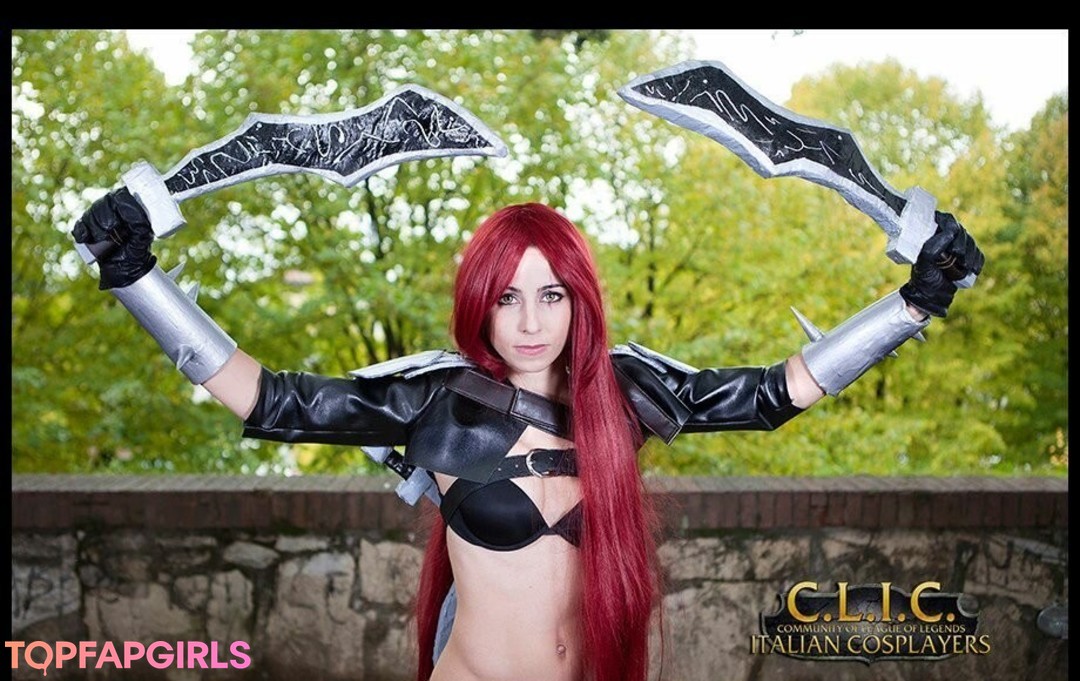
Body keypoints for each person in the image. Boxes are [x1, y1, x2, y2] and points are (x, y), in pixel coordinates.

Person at [72, 191, 982, 681]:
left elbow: (776, 393)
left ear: (579, 299)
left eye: (551, 293)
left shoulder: (625, 395)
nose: (532, 320)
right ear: (482, 303)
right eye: (508, 296)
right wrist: (135, 276)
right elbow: (270, 400)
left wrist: (913, 304)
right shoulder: (433, 402)